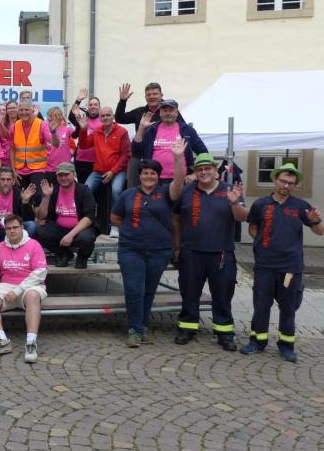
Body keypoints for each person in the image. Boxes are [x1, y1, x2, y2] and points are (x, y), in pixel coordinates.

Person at [241, 163, 324, 362]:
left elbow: (319, 232)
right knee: (261, 305)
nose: (286, 185)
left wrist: (315, 221)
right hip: (265, 265)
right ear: (274, 179)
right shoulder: (260, 204)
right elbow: (253, 228)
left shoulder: (301, 206)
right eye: (283, 181)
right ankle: (257, 341)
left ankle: (286, 345)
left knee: (288, 308)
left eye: (291, 183)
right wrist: (264, 244)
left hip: (290, 267)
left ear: (295, 185)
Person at [170, 149, 248, 351]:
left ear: (215, 170)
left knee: (222, 295)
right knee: (189, 293)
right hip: (191, 252)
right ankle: (187, 328)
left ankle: (224, 333)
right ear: (195, 172)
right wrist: (177, 247)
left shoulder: (229, 190)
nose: (204, 172)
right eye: (200, 169)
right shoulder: (187, 192)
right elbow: (175, 219)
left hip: (221, 253)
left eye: (208, 168)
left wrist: (234, 203)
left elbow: (242, 217)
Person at [111, 155, 184, 347]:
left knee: (149, 291)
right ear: (140, 175)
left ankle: (142, 328)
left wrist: (177, 158)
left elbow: (178, 182)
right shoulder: (128, 194)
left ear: (158, 176)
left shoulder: (166, 193)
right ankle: (134, 330)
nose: (149, 176)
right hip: (131, 250)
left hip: (159, 250)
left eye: (153, 173)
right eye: (145, 173)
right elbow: (115, 217)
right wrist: (131, 230)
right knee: (134, 290)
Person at [0, 215, 48, 363]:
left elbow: (40, 273)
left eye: (15, 227)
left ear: (22, 228)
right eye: (8, 228)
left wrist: (17, 291)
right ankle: (1, 340)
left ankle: (31, 343)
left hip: (31, 286)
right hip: (6, 286)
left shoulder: (34, 245)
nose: (12, 231)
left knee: (32, 296)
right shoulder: (0, 247)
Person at [76, 106, 131, 237]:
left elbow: (126, 155)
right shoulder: (97, 131)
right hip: (99, 171)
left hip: (118, 170)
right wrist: (83, 130)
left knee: (116, 190)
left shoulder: (122, 132)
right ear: (100, 118)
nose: (105, 118)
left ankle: (115, 226)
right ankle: (84, 222)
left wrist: (113, 171)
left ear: (113, 117)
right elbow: (83, 145)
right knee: (85, 189)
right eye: (103, 116)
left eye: (108, 115)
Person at [35, 163, 99, 269]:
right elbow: (41, 217)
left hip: (79, 229)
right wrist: (46, 197)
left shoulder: (84, 190)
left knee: (87, 238)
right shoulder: (53, 190)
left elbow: (89, 217)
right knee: (40, 231)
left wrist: (71, 235)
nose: (63, 178)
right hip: (59, 228)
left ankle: (82, 257)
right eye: (60, 175)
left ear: (74, 174)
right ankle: (64, 254)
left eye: (66, 174)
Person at [132, 99, 207, 185]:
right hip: (154, 180)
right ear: (160, 113)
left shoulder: (187, 130)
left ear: (177, 112)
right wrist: (141, 128)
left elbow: (204, 153)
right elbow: (136, 152)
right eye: (164, 110)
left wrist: (195, 174)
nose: (167, 113)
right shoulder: (152, 130)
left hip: (181, 180)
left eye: (171, 110)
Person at [0, 166, 37, 245]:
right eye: (2, 179)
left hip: (15, 228)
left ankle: (20, 248)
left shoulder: (19, 193)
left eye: (8, 179)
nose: (5, 183)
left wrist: (25, 202)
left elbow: (29, 218)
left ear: (13, 181)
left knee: (32, 225)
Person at [10, 100, 51, 197]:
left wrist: (53, 133)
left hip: (38, 170)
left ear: (32, 110)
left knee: (37, 199)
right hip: (19, 171)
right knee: (21, 200)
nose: (24, 112)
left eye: (26, 109)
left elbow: (52, 142)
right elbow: (12, 149)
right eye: (21, 110)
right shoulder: (14, 127)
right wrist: (13, 170)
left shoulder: (42, 124)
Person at [69, 89, 101, 183]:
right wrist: (78, 100)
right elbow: (71, 117)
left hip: (97, 161)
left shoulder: (103, 120)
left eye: (95, 104)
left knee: (95, 188)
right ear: (88, 107)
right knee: (82, 186)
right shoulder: (83, 119)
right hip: (81, 160)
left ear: (99, 107)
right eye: (90, 105)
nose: (93, 106)